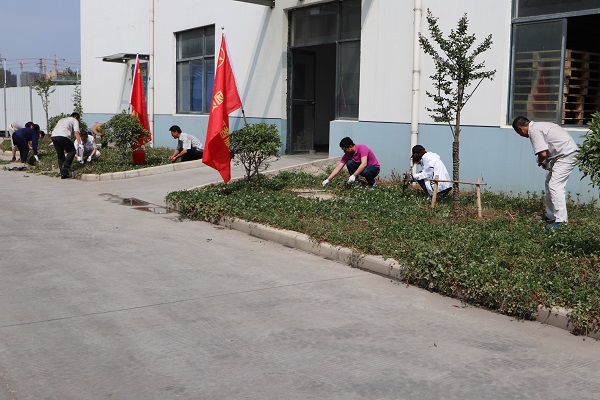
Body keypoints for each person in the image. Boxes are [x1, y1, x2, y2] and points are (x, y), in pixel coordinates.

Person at [512, 116, 578, 229]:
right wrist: (546, 161)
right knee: (549, 182)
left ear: (521, 129)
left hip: (566, 155)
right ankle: (550, 215)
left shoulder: (533, 130)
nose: (521, 136)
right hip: (562, 154)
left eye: (519, 133)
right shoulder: (539, 125)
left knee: (555, 185)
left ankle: (561, 221)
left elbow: (542, 154)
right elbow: (547, 151)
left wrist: (541, 161)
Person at [51, 112, 81, 179]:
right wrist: (80, 143)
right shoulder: (74, 120)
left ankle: (63, 173)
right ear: (76, 117)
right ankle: (65, 166)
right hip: (63, 136)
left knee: (60, 154)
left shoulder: (62, 120)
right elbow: (76, 132)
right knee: (72, 151)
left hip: (54, 136)